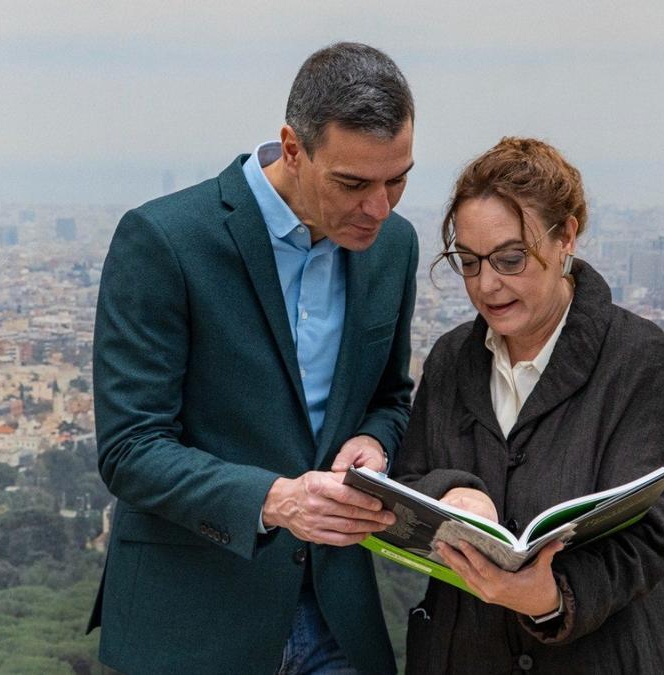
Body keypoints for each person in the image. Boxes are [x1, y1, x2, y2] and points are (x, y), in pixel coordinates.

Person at [89, 42, 418, 674]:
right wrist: (274, 499)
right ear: (293, 149)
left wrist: (375, 443)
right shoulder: (166, 241)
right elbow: (131, 449)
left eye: (397, 180)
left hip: (336, 614)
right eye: (353, 183)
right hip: (193, 618)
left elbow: (390, 398)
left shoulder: (392, 247)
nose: (378, 208)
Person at [392, 137, 664, 673]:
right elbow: (410, 481)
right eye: (468, 261)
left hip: (598, 657)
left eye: (510, 258)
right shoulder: (451, 356)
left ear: (566, 237)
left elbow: (649, 535)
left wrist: (552, 598)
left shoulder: (635, 357)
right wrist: (452, 491)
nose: (487, 284)